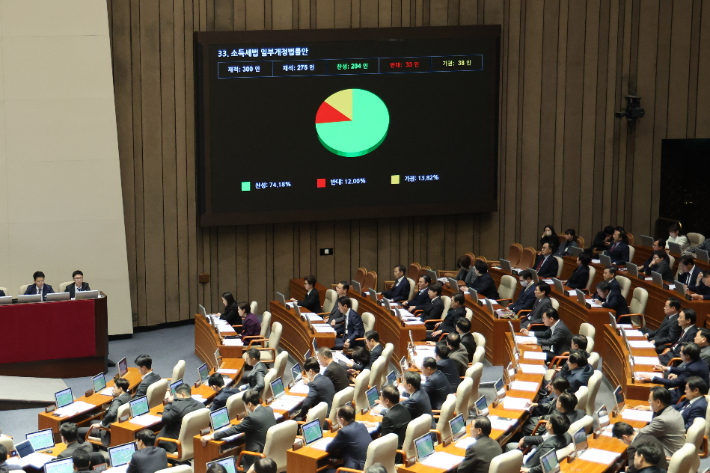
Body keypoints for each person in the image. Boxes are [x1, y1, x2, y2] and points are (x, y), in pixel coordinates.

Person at [201, 390, 276, 468]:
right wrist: (246, 422)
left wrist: (212, 436)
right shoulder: (268, 409)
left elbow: (234, 430)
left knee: (218, 462)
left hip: (254, 457)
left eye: (245, 404)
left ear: (249, 404)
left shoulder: (251, 418)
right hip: (267, 453)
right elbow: (260, 423)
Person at [641, 343, 709, 403]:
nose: (680, 353)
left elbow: (673, 383)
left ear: (687, 356)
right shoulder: (697, 360)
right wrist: (666, 368)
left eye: (681, 352)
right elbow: (684, 369)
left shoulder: (692, 368)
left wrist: (652, 378)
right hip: (682, 389)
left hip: (682, 395)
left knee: (652, 395)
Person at [632, 387, 685, 456]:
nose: (649, 403)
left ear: (658, 402)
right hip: (677, 452)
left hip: (668, 456)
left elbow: (640, 434)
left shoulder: (662, 420)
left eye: (650, 401)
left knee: (634, 447)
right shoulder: (673, 411)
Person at [78, 377, 130, 445]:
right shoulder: (129, 396)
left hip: (108, 429)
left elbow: (111, 414)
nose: (113, 389)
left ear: (120, 389)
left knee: (78, 431)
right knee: (92, 421)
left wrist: (100, 424)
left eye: (114, 387)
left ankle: (87, 449)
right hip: (118, 425)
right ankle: (95, 446)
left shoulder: (117, 401)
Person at [158, 384, 204, 452]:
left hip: (175, 443)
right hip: (193, 440)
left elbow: (164, 419)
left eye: (176, 395)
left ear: (183, 394)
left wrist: (169, 403)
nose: (176, 398)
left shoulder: (177, 408)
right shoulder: (201, 405)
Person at [325, 405, 371, 472]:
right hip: (366, 466)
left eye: (337, 418)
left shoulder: (344, 432)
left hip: (355, 469)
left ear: (342, 420)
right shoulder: (361, 425)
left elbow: (329, 448)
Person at [379, 385, 411, 449]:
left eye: (381, 397)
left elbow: (384, 441)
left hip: (396, 452)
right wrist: (375, 424)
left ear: (387, 401)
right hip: (405, 444)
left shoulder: (388, 418)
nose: (381, 399)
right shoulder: (404, 409)